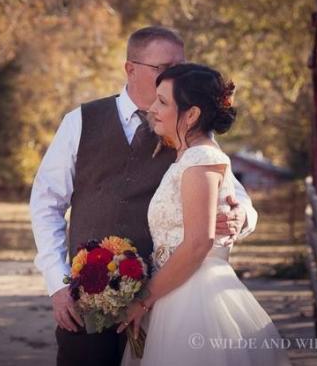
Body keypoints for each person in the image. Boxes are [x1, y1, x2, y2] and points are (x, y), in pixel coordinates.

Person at [29, 26, 258, 366]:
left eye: (182, 66)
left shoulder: (192, 131)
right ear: (130, 68)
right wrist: (57, 285)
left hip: (163, 300)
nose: (177, 75)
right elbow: (46, 203)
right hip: (88, 299)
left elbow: (235, 198)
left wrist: (241, 218)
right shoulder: (80, 121)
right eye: (165, 69)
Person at [117, 63, 290, 365]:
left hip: (195, 298)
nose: (152, 108)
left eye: (163, 102)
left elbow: (198, 243)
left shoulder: (201, 159)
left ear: (193, 114)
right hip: (174, 288)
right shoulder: (189, 156)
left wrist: (143, 300)